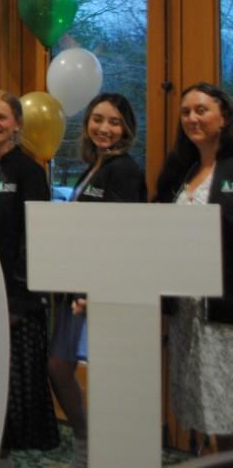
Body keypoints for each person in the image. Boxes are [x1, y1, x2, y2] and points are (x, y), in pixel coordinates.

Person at [46, 92, 145, 468]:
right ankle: (87, 441)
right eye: (98, 119)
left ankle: (103, 450)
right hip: (78, 288)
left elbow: (121, 236)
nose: (104, 128)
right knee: (58, 366)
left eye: (114, 121)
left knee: (101, 377)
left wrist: (96, 291)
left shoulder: (125, 170)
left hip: (102, 292)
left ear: (126, 129)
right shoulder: (93, 167)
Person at [0, 90, 58, 466]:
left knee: (11, 384)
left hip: (15, 301)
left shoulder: (30, 172)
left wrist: (17, 300)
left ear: (17, 123)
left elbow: (33, 241)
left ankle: (1, 454)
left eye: (1, 117)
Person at [155, 82, 233, 452]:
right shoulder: (180, 169)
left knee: (227, 407)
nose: (192, 118)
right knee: (203, 405)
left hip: (224, 309)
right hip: (187, 309)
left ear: (224, 116)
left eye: (201, 110)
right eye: (186, 112)